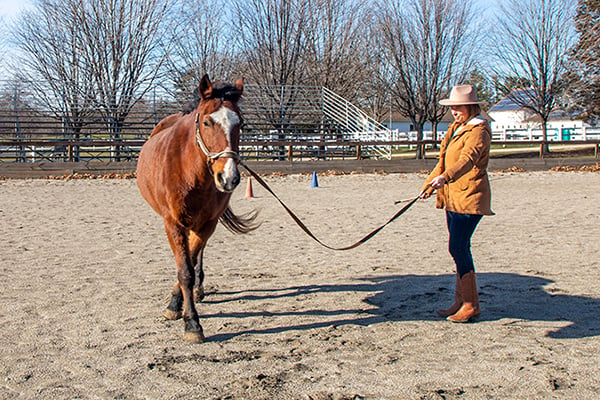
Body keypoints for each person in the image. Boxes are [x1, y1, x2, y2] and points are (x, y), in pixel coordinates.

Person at [420, 84, 493, 323]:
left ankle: (471, 304)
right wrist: (429, 183)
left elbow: (467, 160)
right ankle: (460, 301)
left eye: (458, 108)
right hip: (452, 196)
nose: (454, 112)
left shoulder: (478, 131)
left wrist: (445, 177)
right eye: (452, 108)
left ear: (470, 107)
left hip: (469, 196)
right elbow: (443, 161)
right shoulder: (456, 128)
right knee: (457, 247)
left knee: (458, 247)